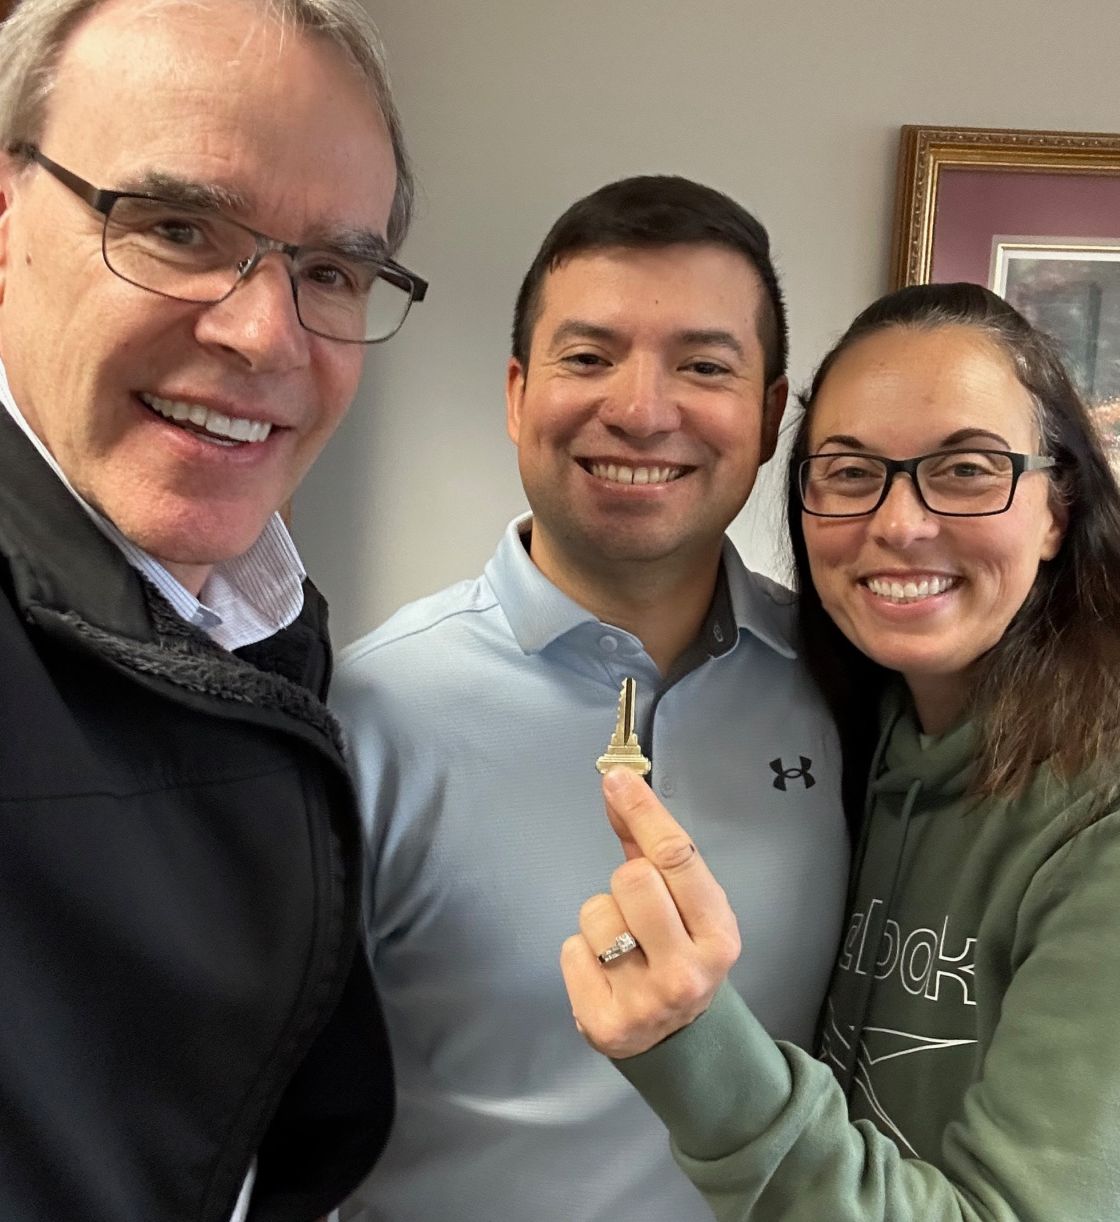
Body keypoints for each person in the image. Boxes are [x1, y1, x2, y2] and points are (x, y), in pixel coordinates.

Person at [331, 175, 850, 1220]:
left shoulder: (850, 689)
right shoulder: (365, 713)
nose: (640, 409)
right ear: (518, 392)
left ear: (766, 414)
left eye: (703, 365)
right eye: (588, 356)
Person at [563, 282, 1120, 1220]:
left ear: (1057, 506)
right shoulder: (854, 738)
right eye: (852, 473)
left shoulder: (1098, 821)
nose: (899, 524)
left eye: (969, 470)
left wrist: (695, 1042)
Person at [0, 0, 426, 1218]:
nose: (260, 331)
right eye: (177, 227)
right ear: (5, 218)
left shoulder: (260, 624)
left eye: (331, 271)